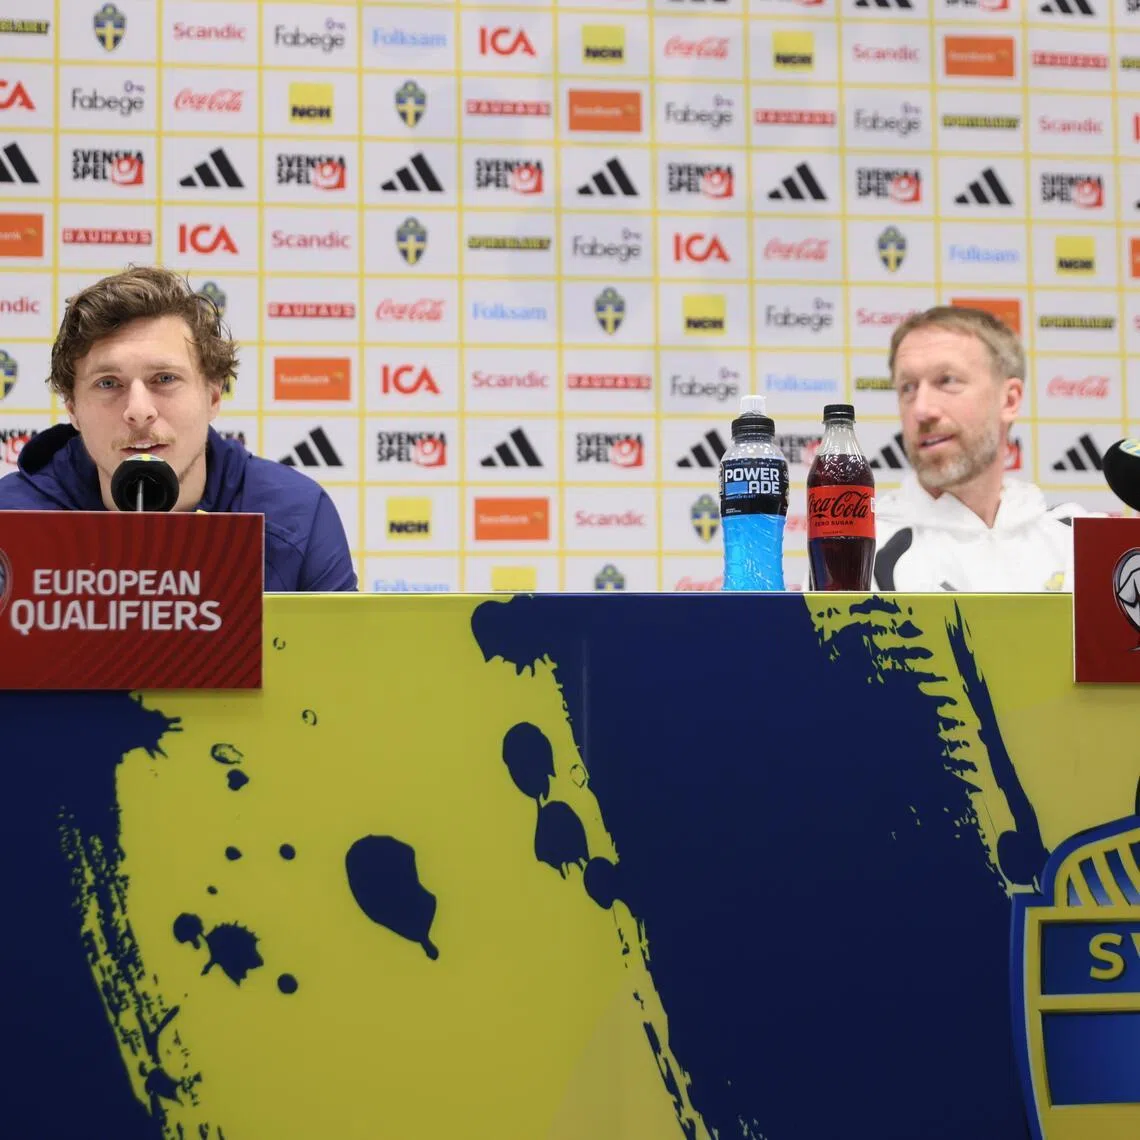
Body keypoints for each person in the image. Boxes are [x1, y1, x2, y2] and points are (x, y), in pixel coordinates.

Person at [0, 265, 356, 592]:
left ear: (213, 396)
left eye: (165, 379)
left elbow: (341, 660)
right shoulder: (11, 518)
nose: (139, 411)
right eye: (108, 384)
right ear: (73, 409)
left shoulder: (294, 512)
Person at [874, 305, 1093, 592]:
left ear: (1009, 400)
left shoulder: (1078, 541)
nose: (922, 409)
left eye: (947, 380)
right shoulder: (859, 553)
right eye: (908, 387)